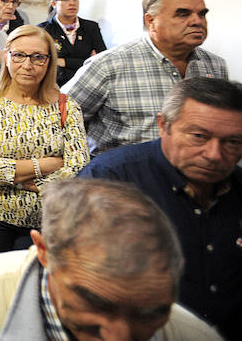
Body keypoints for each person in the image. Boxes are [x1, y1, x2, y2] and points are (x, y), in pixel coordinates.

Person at [0, 179, 222, 341]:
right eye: (94, 300)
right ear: (44, 252)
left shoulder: (194, 335)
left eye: (147, 311)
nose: (120, 336)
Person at [77, 76, 242, 339]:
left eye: (232, 142)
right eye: (199, 136)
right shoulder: (110, 180)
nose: (214, 154)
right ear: (164, 125)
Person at [0, 25, 89, 263]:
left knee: (27, 295)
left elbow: (78, 168)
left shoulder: (67, 106)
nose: (28, 65)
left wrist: (10, 170)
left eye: (38, 57)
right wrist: (49, 164)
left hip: (43, 223)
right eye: (19, 55)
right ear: (7, 57)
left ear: (49, 61)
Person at [64, 0, 227, 155]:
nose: (197, 21)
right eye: (183, 14)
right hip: (119, 177)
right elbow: (57, 123)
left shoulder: (214, 66)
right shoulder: (109, 65)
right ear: (151, 21)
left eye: (202, 14)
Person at [39, 0, 106, 86]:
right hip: (54, 85)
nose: (72, 3)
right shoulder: (43, 30)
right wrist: (86, 62)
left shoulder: (91, 27)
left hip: (86, 85)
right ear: (54, 3)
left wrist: (63, 62)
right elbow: (43, 62)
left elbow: (101, 62)